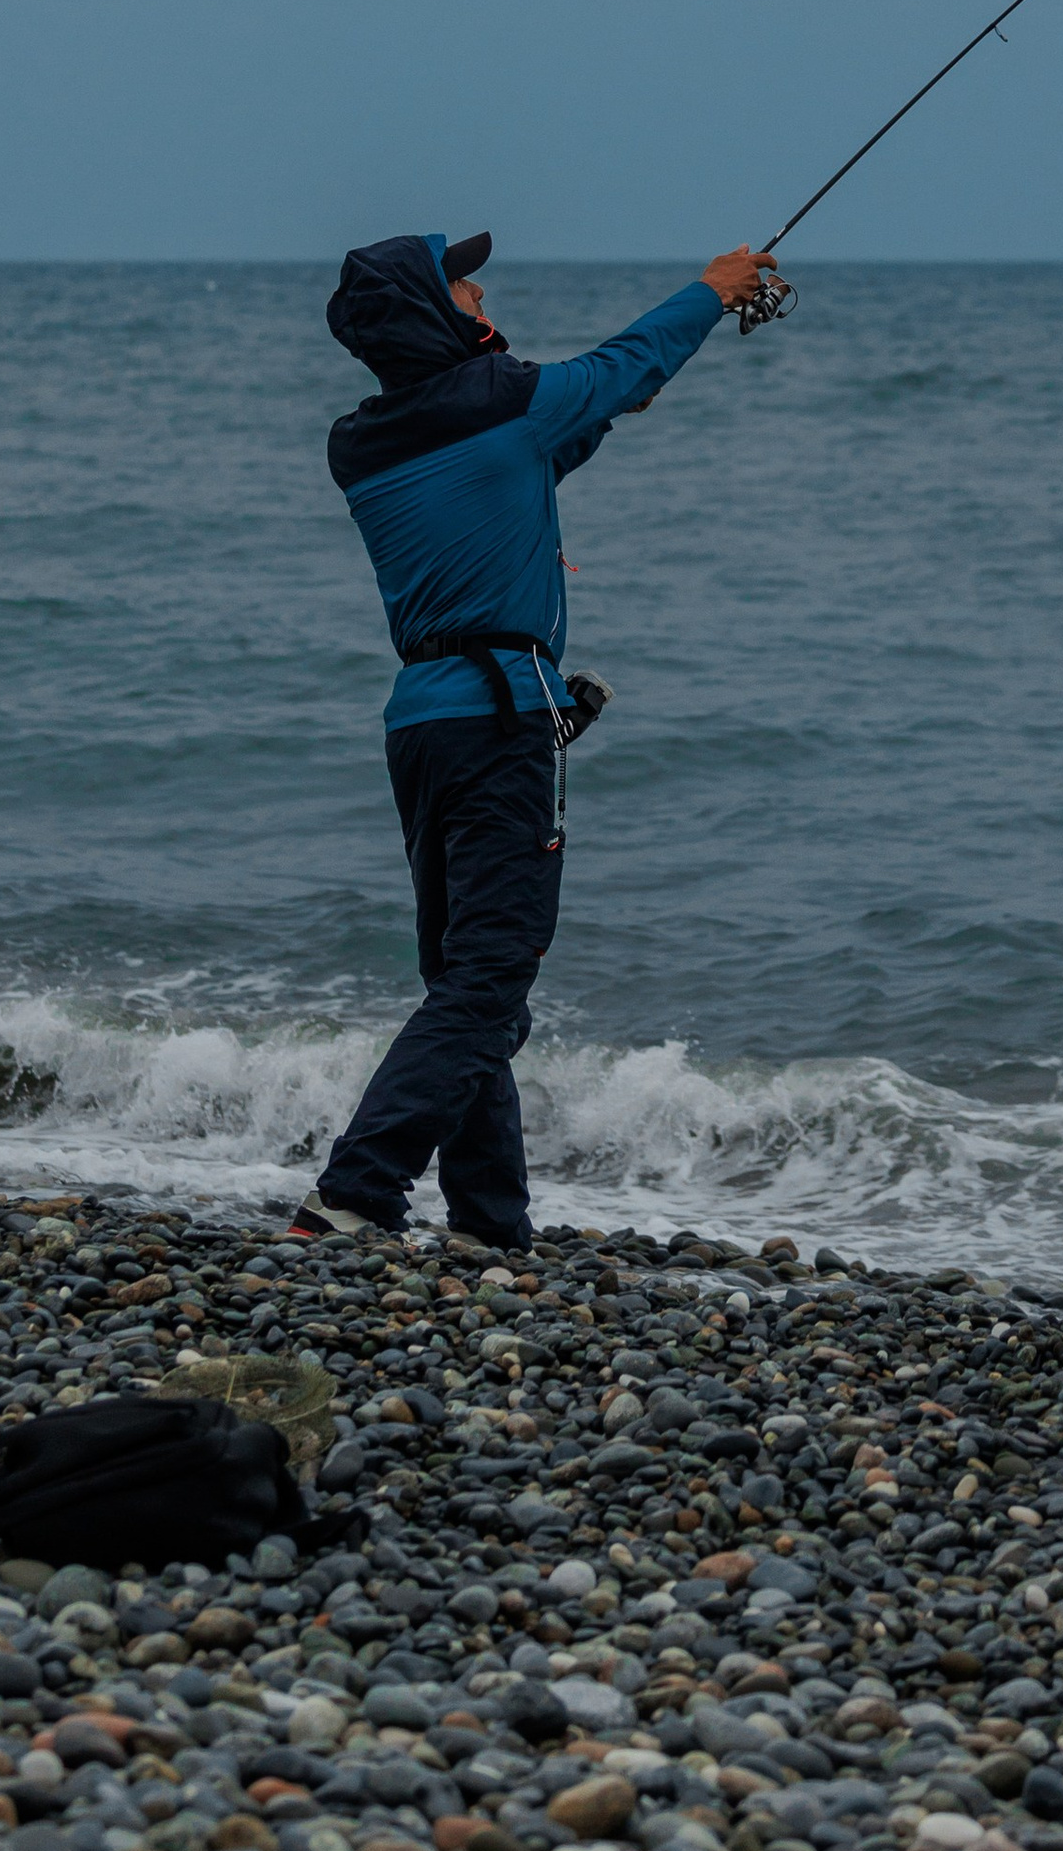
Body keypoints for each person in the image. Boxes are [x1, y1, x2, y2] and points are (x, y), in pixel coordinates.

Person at [292, 227, 773, 1251]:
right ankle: (355, 1194)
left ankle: (489, 1223)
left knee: (466, 985)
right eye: (464, 286)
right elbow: (615, 369)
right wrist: (711, 291)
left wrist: (615, 400)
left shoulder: (364, 441)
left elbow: (547, 442)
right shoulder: (499, 399)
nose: (481, 296)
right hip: (498, 721)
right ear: (432, 311)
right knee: (488, 982)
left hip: (422, 725)